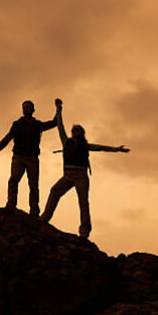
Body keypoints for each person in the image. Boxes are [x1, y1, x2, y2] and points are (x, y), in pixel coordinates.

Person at [40, 99, 130, 238]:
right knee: (55, 191)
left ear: (82, 133)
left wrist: (117, 149)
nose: (74, 132)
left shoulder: (84, 144)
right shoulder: (66, 142)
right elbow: (60, 126)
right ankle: (45, 218)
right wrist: (59, 109)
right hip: (68, 174)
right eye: (73, 130)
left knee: (83, 201)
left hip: (81, 175)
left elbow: (100, 147)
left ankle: (84, 230)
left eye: (77, 130)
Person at [0, 100, 57, 216]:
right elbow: (7, 139)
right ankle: (11, 204)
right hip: (19, 157)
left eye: (28, 107)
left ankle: (34, 210)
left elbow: (54, 123)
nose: (26, 109)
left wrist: (58, 110)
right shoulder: (17, 124)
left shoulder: (37, 125)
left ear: (33, 110)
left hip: (32, 158)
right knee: (13, 181)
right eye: (24, 107)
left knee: (33, 185)